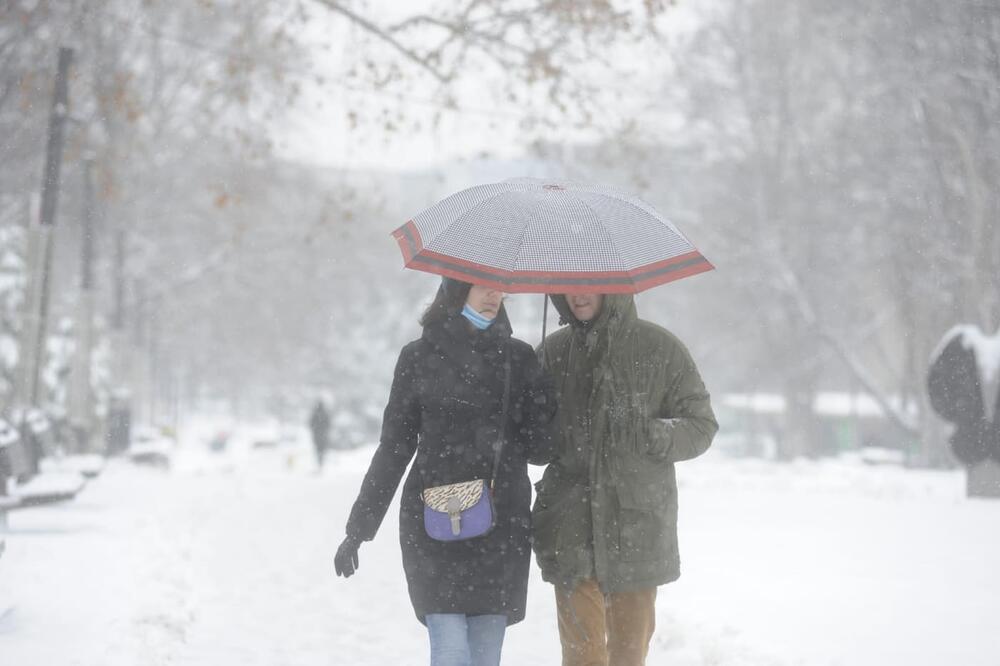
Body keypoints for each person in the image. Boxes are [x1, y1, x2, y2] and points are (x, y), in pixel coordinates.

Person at [334, 277, 556, 666]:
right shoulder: (418, 358)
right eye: (482, 286)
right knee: (451, 652)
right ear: (456, 290)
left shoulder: (519, 358)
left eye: (498, 287)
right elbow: (395, 447)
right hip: (435, 520)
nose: (493, 295)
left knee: (485, 658)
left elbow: (541, 451)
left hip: (500, 528)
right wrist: (358, 529)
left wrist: (542, 400)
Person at [531, 293, 718, 666]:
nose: (578, 295)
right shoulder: (552, 353)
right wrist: (539, 428)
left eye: (591, 284)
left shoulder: (659, 347)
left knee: (629, 656)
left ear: (613, 287)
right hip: (569, 527)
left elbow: (701, 426)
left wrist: (649, 434)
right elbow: (534, 448)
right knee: (582, 656)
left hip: (636, 527)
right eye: (571, 285)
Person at [309, 399, 332, 469]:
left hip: (317, 434)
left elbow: (311, 423)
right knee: (322, 449)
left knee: (318, 449)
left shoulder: (315, 413)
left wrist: (315, 429)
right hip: (322, 434)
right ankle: (321, 462)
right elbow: (328, 424)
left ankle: (319, 462)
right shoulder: (325, 413)